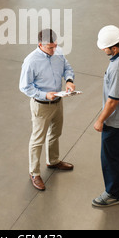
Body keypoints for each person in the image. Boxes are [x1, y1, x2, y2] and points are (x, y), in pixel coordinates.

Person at [19, 29, 76, 191]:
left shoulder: (58, 52)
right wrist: (45, 95)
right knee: (38, 140)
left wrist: (69, 81)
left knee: (55, 133)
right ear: (40, 45)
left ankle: (53, 161)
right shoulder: (31, 61)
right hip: (41, 106)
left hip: (58, 101)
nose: (54, 50)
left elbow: (67, 68)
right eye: (50, 47)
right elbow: (25, 87)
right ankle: (34, 173)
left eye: (55, 46)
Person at [92, 25, 119, 207]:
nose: (103, 49)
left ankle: (113, 192)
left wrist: (100, 120)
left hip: (116, 121)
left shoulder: (117, 68)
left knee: (110, 158)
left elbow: (113, 101)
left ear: (115, 48)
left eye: (105, 47)